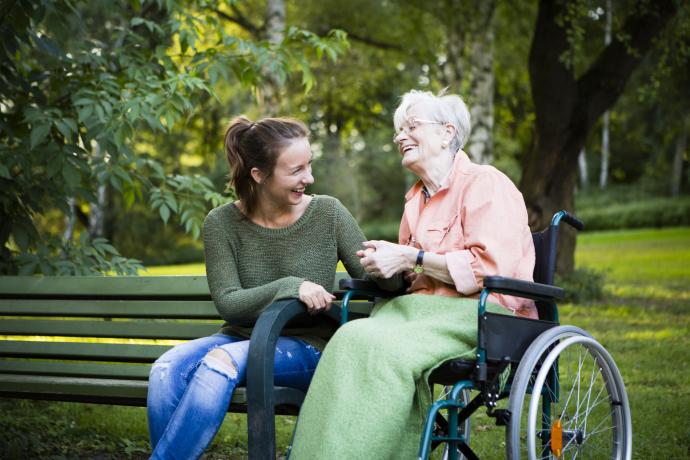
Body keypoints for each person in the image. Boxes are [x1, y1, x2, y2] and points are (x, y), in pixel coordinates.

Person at [289, 89, 536, 459]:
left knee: (385, 350)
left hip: (484, 315)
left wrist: (411, 257)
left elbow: (488, 269)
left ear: (446, 133)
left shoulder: (486, 183)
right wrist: (387, 263)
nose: (400, 137)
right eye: (398, 131)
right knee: (348, 338)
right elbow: (413, 271)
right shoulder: (415, 201)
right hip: (417, 313)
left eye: (411, 126)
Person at [146, 116, 397, 459]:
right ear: (258, 175)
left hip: (310, 345)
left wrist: (395, 265)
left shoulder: (328, 213)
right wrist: (292, 285)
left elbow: (379, 280)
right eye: (296, 170)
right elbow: (230, 304)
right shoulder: (221, 223)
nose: (308, 178)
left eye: (309, 166)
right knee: (165, 370)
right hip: (240, 338)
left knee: (220, 362)